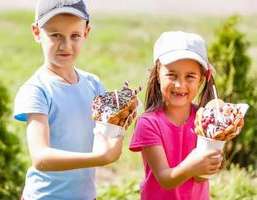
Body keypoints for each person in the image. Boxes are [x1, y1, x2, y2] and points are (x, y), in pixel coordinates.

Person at [13, 0, 124, 199]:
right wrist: (98, 157)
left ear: (86, 33)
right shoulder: (37, 89)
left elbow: (112, 132)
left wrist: (115, 140)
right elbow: (41, 157)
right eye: (56, 35)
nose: (66, 45)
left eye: (75, 35)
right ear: (37, 32)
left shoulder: (94, 84)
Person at [129, 31, 226, 200]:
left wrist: (212, 160)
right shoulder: (149, 123)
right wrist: (193, 165)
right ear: (158, 74)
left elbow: (200, 177)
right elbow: (165, 179)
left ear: (202, 79)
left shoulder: (205, 121)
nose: (180, 84)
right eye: (172, 75)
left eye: (190, 76)